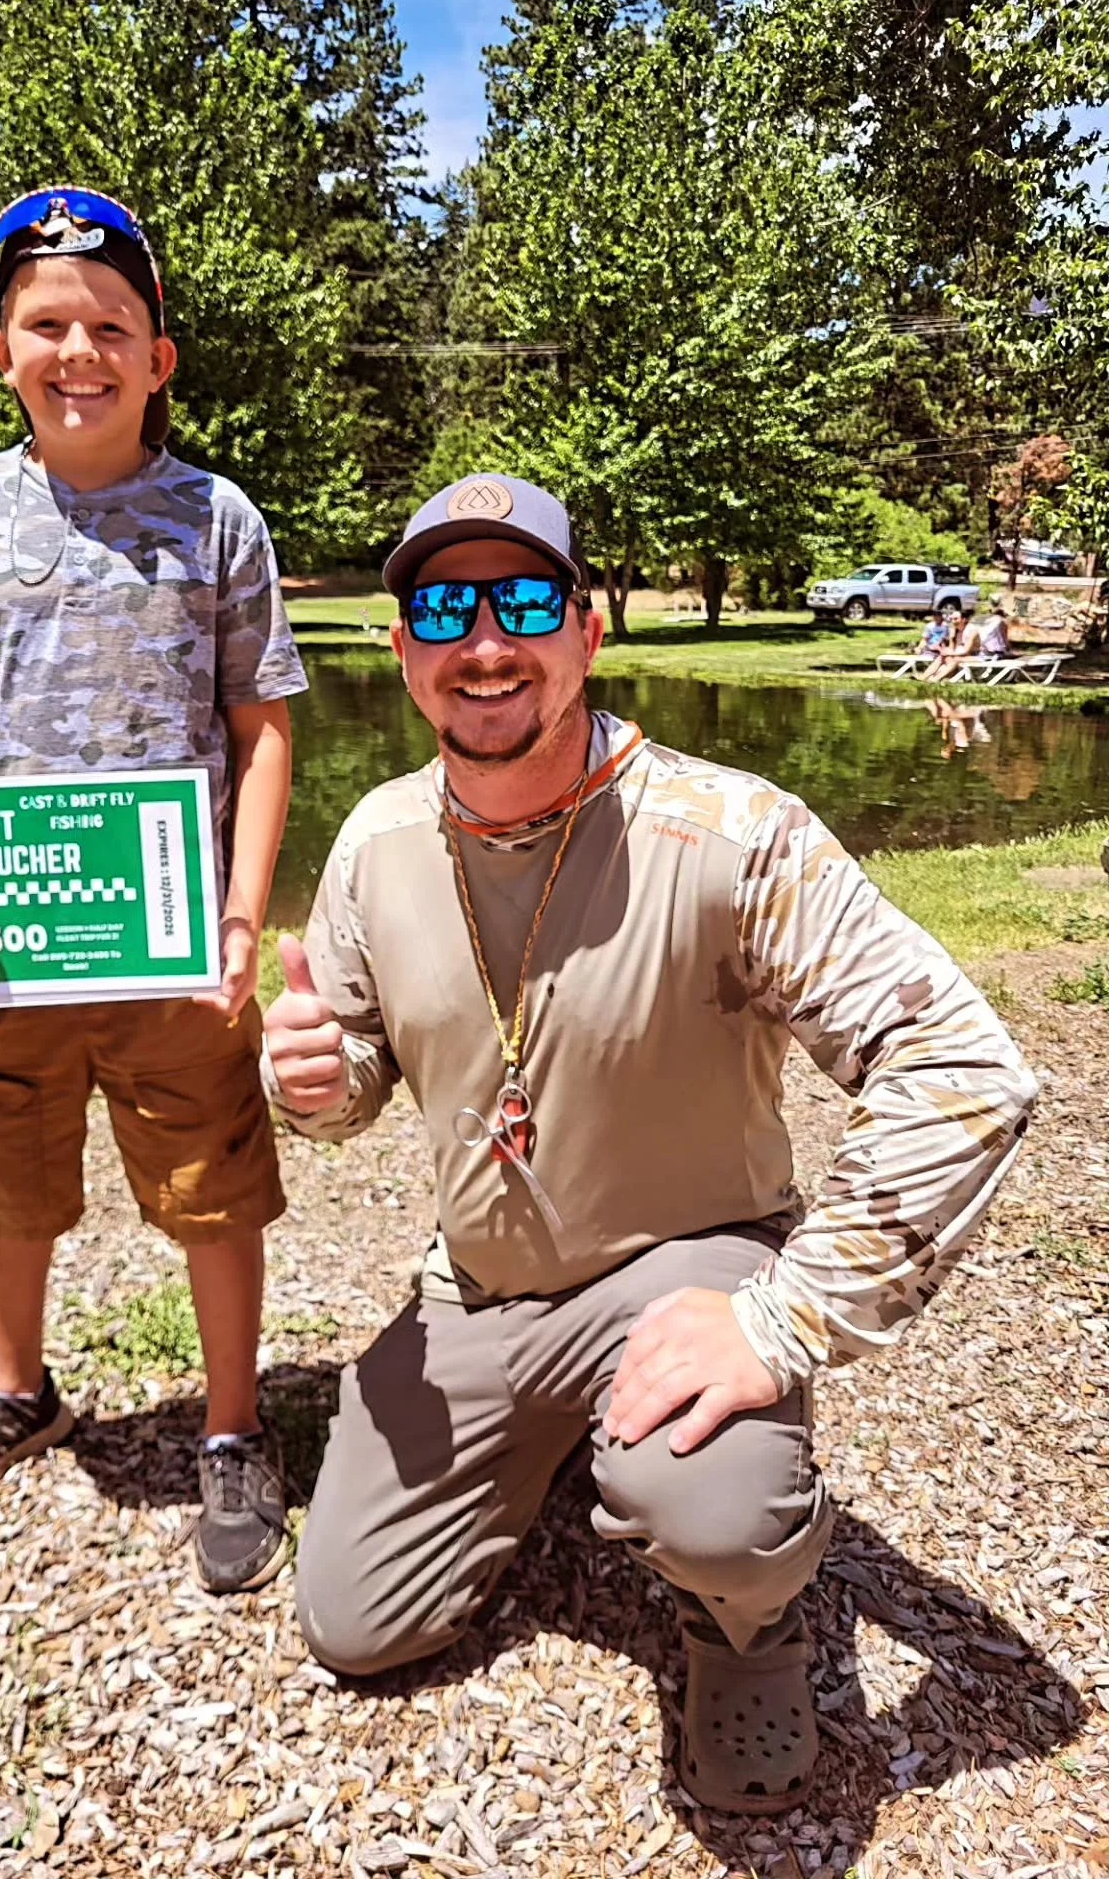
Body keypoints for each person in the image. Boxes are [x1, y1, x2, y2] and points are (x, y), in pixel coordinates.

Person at [262, 474, 1036, 1813]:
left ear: (586, 628)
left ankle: (747, 1627)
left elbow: (964, 1068)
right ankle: (567, 1436)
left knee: (721, 1516)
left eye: (524, 602)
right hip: (481, 1288)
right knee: (357, 1622)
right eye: (444, 606)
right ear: (401, 648)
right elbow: (357, 1073)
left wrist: (785, 1321)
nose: (485, 643)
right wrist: (316, 1083)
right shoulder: (377, 839)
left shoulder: (726, 832)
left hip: (690, 1261)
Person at [0, 187, 307, 1593]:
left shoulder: (216, 516)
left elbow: (264, 724)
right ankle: (15, 1393)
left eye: (109, 325)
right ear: (2, 349)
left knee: (212, 1185)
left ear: (157, 357)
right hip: (5, 937)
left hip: (177, 946)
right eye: (46, 324)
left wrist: (239, 910)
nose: (79, 350)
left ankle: (233, 1431)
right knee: (10, 1175)